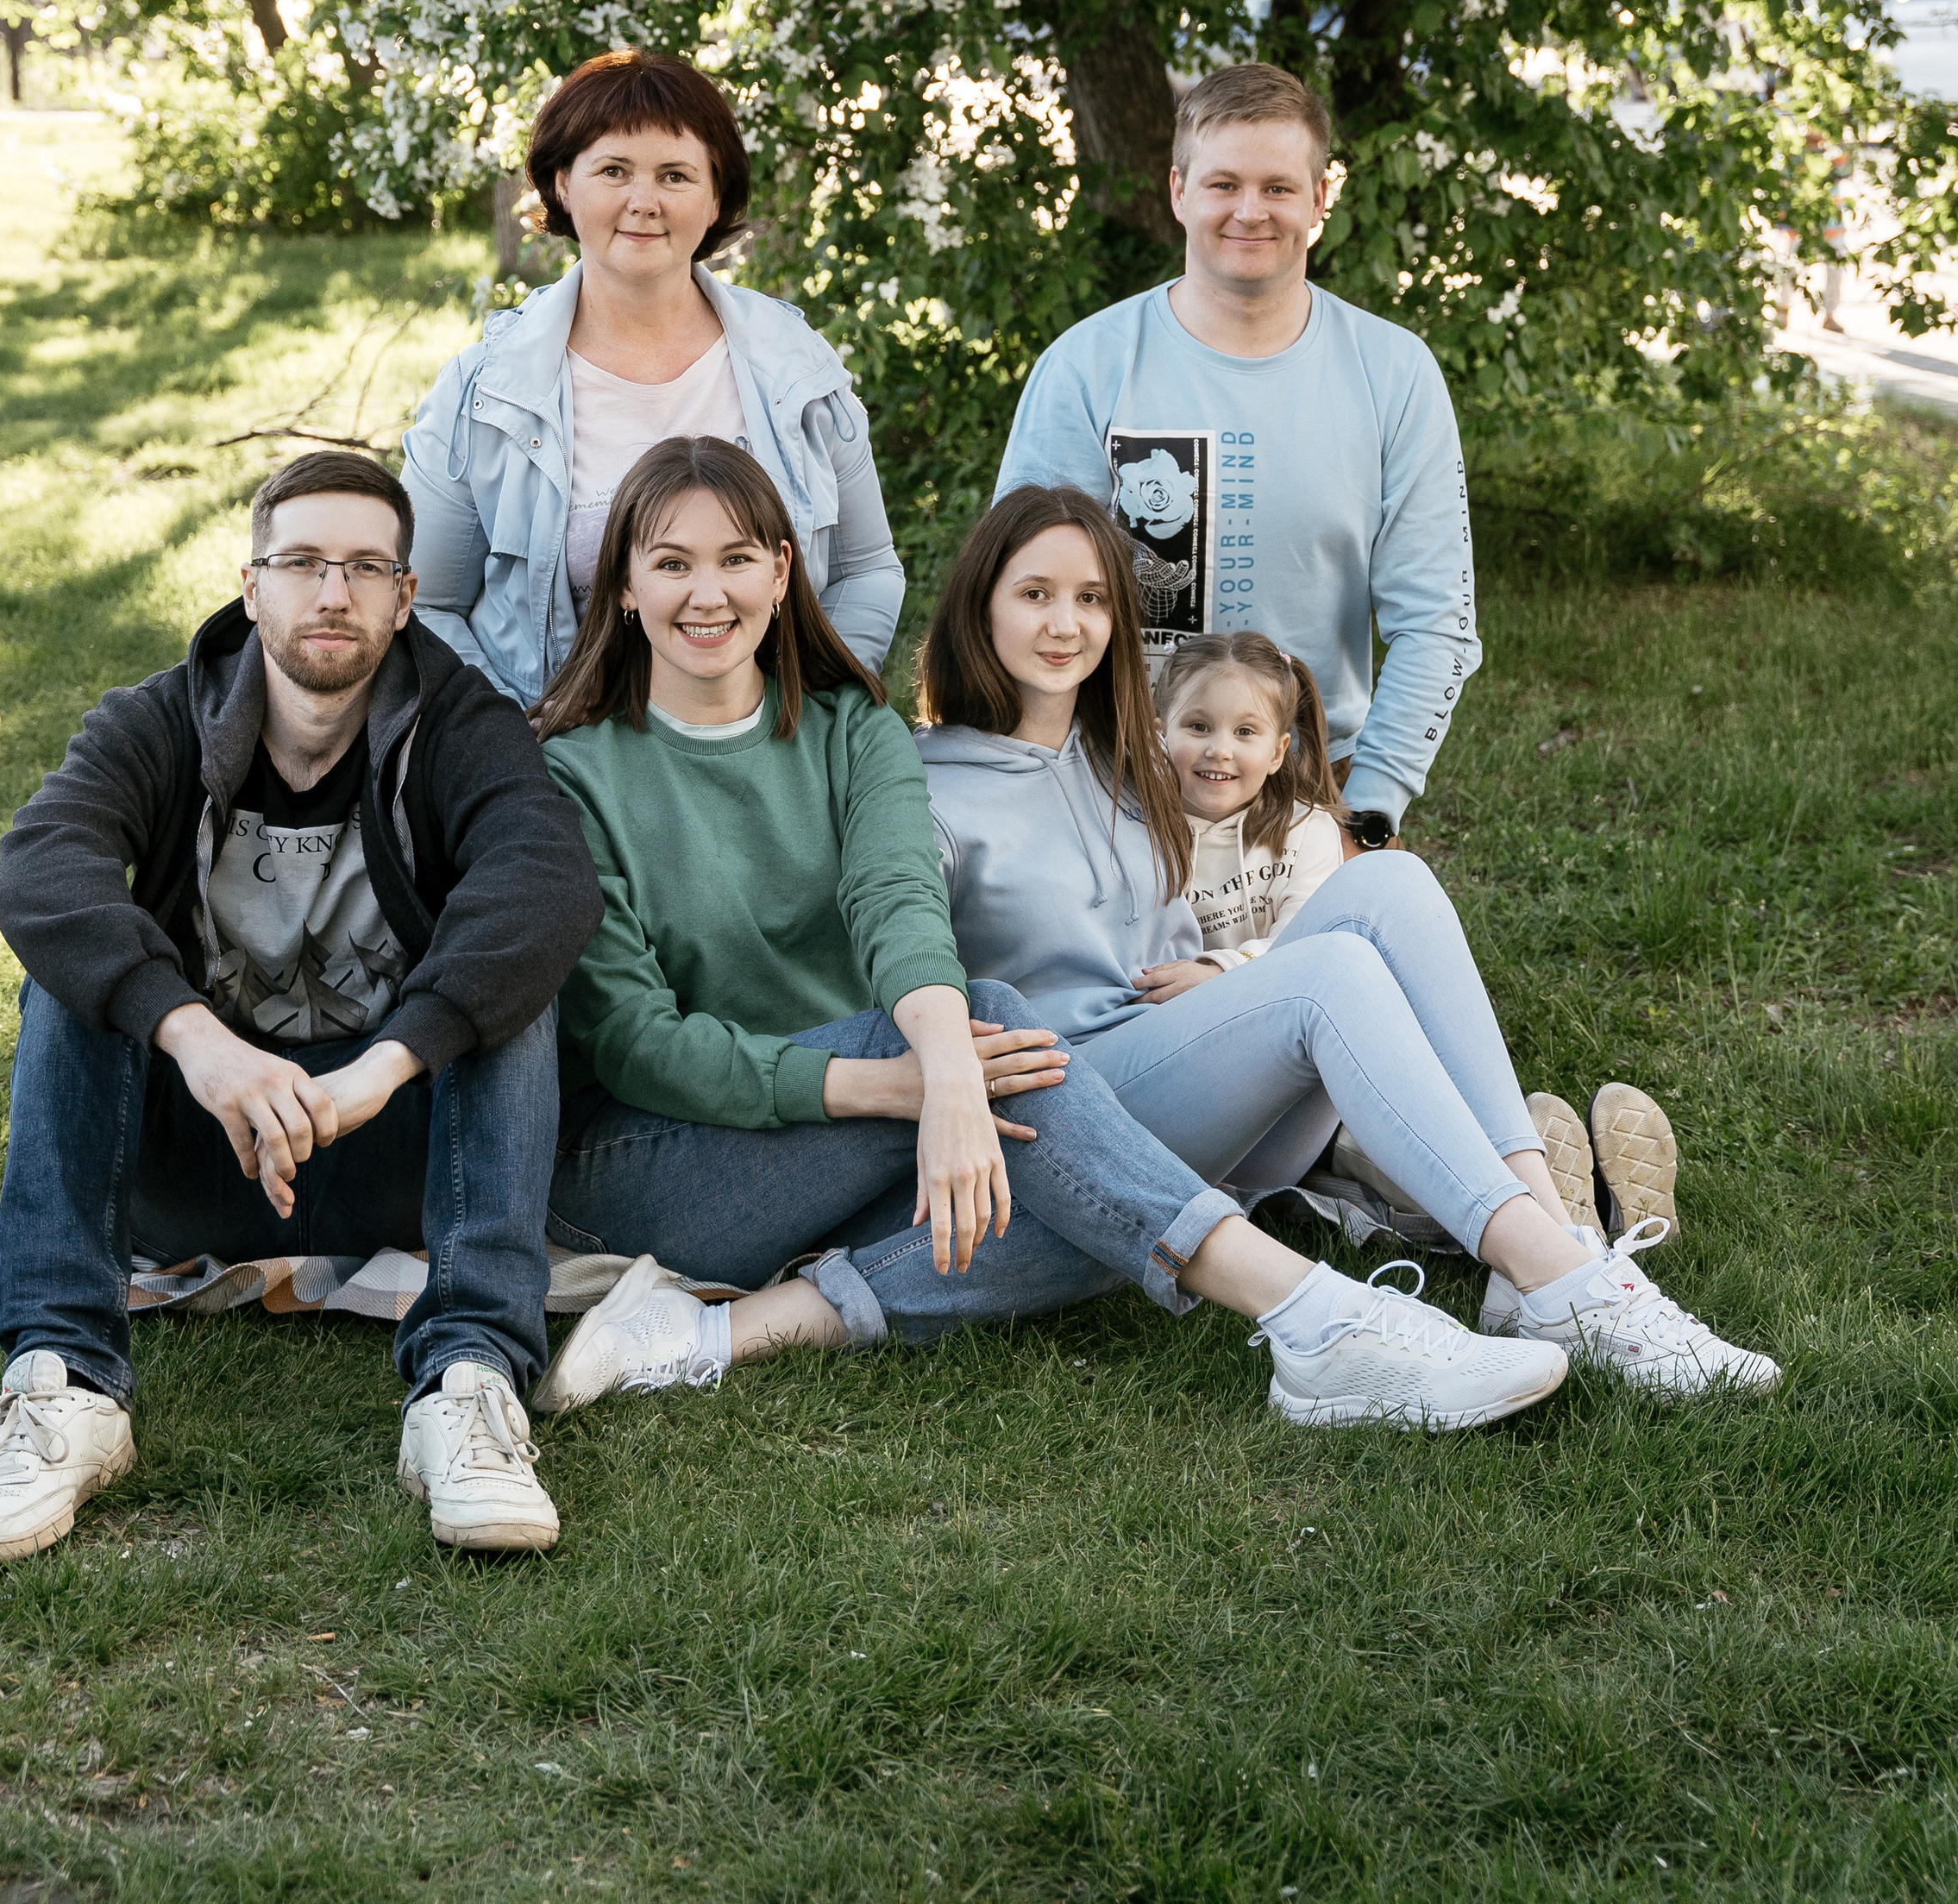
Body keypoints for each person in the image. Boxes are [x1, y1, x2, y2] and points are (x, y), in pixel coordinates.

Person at [527, 436, 1583, 1433]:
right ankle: (1322, 1319)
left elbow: (897, 909)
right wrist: (905, 1083)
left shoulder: (851, 728)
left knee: (1047, 1156)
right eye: (670, 563)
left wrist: (936, 1075)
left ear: (780, 571)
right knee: (1003, 1047)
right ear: (624, 586)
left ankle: (712, 1332)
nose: (706, 593)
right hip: (658, 1155)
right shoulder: (575, 771)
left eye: (735, 560)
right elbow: (634, 1042)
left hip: (844, 1139)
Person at [915, 487, 1779, 1398]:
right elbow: (880, 982)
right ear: (981, 604)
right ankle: (1567, 1281)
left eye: (1091, 598)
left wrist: (1225, 969)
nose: (1065, 623)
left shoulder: (1127, 754)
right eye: (1035, 593)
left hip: (1214, 1083)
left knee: (1387, 882)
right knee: (1324, 975)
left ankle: (1543, 1254)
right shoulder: (926, 786)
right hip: (1079, 1111)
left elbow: (1247, 768)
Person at [0, 449, 606, 1570]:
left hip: (391, 1152)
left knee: (507, 990)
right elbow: (38, 870)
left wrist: (389, 1062)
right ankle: (64, 1390)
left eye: (363, 566)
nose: (332, 591)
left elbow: (546, 885)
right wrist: (197, 1040)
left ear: (405, 596)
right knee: (73, 973)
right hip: (200, 1156)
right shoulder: (156, 724)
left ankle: (471, 1383)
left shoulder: (461, 727)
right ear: (253, 587)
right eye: (302, 562)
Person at [993, 59, 1475, 838]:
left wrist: (1369, 812)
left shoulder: (1394, 373)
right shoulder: (1086, 367)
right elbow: (1018, 599)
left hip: (1316, 783)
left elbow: (1439, 623)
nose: (1250, 211)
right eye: (1223, 185)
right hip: (1113, 778)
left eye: (1279, 187)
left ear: (1322, 198)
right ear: (1179, 191)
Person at [404, 48, 903, 706]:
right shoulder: (485, 393)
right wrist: (518, 744)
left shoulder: (797, 366)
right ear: (561, 184)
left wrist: (810, 716)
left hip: (771, 751)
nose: (644, 202)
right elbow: (426, 602)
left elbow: (868, 571)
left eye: (675, 175)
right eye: (613, 170)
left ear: (716, 196)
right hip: (553, 762)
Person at [1148, 630, 1346, 971]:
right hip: (1155, 1008)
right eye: (1198, 726)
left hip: (1275, 1003)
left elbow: (1308, 941)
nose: (1220, 751)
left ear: (1277, 752)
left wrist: (1219, 971)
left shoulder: (1307, 830)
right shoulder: (1130, 824)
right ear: (1160, 735)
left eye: (1245, 732)